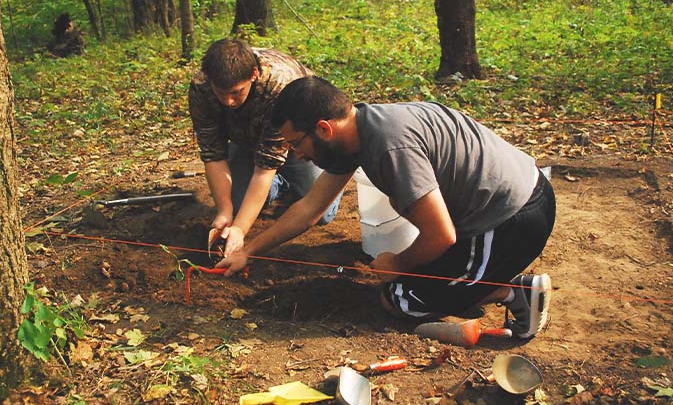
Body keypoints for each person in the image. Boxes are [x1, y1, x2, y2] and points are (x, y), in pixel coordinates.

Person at [217, 76, 556, 339]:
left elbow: (440, 236)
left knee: (399, 301)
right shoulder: (360, 131)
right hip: (497, 207)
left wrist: (397, 262)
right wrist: (250, 250)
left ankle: (514, 290)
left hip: (511, 219)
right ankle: (466, 285)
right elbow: (310, 207)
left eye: (297, 144)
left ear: (323, 129)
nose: (298, 156)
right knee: (413, 277)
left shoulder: (388, 147)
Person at [188, 39, 343, 258]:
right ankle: (282, 184)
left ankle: (325, 171)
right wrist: (225, 211)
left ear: (253, 75)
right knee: (237, 205)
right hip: (250, 141)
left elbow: (264, 169)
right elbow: (213, 155)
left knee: (322, 213)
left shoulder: (279, 84)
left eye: (236, 92)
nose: (228, 102)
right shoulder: (201, 87)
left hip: (302, 141)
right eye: (221, 93)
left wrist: (240, 230)